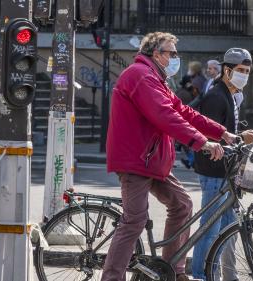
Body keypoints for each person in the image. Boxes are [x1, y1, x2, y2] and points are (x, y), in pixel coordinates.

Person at [102, 32, 240, 281]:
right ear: (157, 54)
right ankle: (111, 278)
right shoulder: (140, 76)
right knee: (135, 220)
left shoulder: (156, 78)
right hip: (136, 160)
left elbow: (184, 111)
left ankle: (171, 272)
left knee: (182, 205)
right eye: (172, 53)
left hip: (151, 160)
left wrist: (222, 133)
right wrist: (202, 143)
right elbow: (165, 115)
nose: (176, 58)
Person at [192, 48, 253, 280]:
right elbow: (212, 138)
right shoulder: (215, 96)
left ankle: (224, 276)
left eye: (247, 71)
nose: (244, 75)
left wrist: (242, 135)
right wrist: (242, 138)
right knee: (210, 229)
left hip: (225, 173)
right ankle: (201, 275)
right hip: (214, 172)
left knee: (229, 229)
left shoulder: (231, 95)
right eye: (240, 70)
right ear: (227, 70)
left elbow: (226, 133)